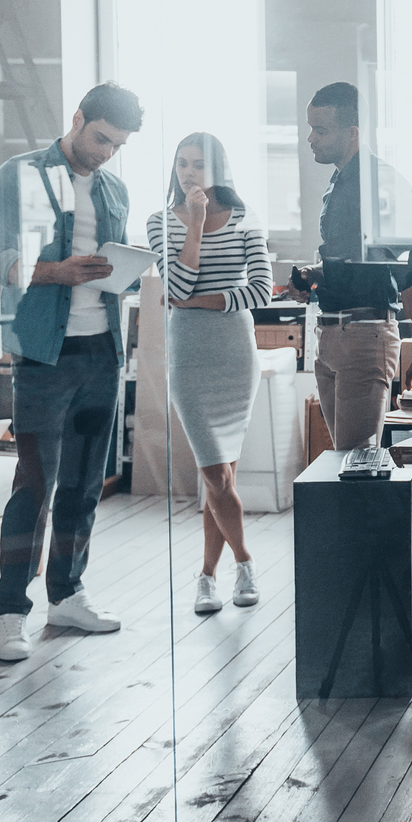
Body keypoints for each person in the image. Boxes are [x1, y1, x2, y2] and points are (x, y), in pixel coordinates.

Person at [0, 83, 143, 664]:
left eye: (117, 145)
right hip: (42, 357)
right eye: (101, 137)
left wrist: (121, 273)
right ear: (77, 119)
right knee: (34, 487)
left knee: (84, 485)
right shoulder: (20, 175)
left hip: (101, 352)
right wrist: (62, 272)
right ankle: (10, 613)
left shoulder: (115, 189)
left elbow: (112, 269)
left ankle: (68, 594)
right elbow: (1, 262)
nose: (106, 152)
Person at [280, 81, 412, 450]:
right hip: (330, 336)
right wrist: (311, 276)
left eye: (321, 130)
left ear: (353, 132)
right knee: (345, 461)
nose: (311, 138)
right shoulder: (339, 183)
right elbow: (349, 264)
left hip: (364, 336)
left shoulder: (384, 186)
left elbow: (409, 275)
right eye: (310, 127)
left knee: (356, 464)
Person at [147, 133, 272, 616]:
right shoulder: (160, 221)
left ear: (219, 169)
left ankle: (205, 577)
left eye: (198, 164)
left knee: (219, 480)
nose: (189, 173)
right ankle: (245, 561)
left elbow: (261, 291)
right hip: (190, 355)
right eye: (181, 164)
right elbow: (175, 282)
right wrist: (195, 224)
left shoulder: (245, 219)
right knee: (217, 474)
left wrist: (198, 302)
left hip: (235, 354)